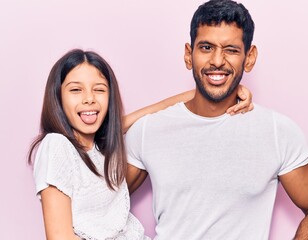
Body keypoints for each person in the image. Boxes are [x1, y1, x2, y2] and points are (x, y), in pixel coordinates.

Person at [125, 0, 308, 239]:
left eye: (231, 50)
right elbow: (98, 208)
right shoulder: (147, 131)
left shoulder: (278, 132)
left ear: (249, 57)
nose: (217, 60)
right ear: (188, 55)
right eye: (206, 47)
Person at [27, 49, 253, 239]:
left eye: (99, 89)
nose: (89, 98)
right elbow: (59, 237)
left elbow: (155, 110)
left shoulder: (102, 144)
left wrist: (223, 92)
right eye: (76, 90)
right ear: (58, 97)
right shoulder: (56, 145)